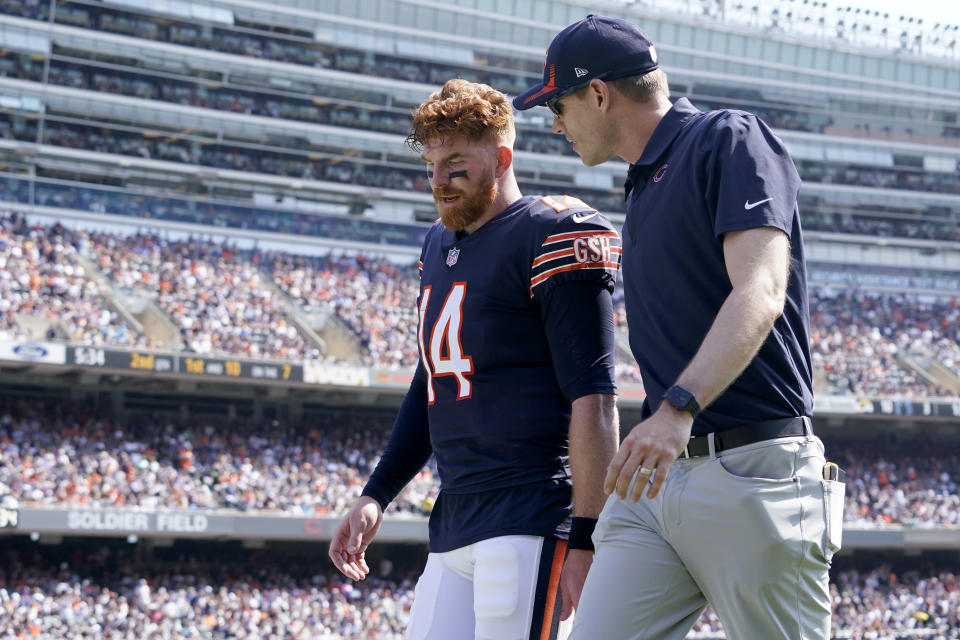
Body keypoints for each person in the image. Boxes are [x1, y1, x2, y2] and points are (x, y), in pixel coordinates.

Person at [514, 14, 845, 640]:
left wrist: (678, 408)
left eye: (557, 105)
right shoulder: (641, 187)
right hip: (656, 485)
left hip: (749, 467)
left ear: (599, 94)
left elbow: (762, 289)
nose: (554, 123)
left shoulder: (728, 137)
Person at [329, 78, 622, 640]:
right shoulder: (438, 245)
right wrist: (377, 493)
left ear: (502, 158)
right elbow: (433, 380)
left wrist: (588, 532)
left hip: (531, 515)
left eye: (456, 164)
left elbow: (594, 394)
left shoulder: (553, 231)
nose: (439, 181)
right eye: (432, 165)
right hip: (455, 516)